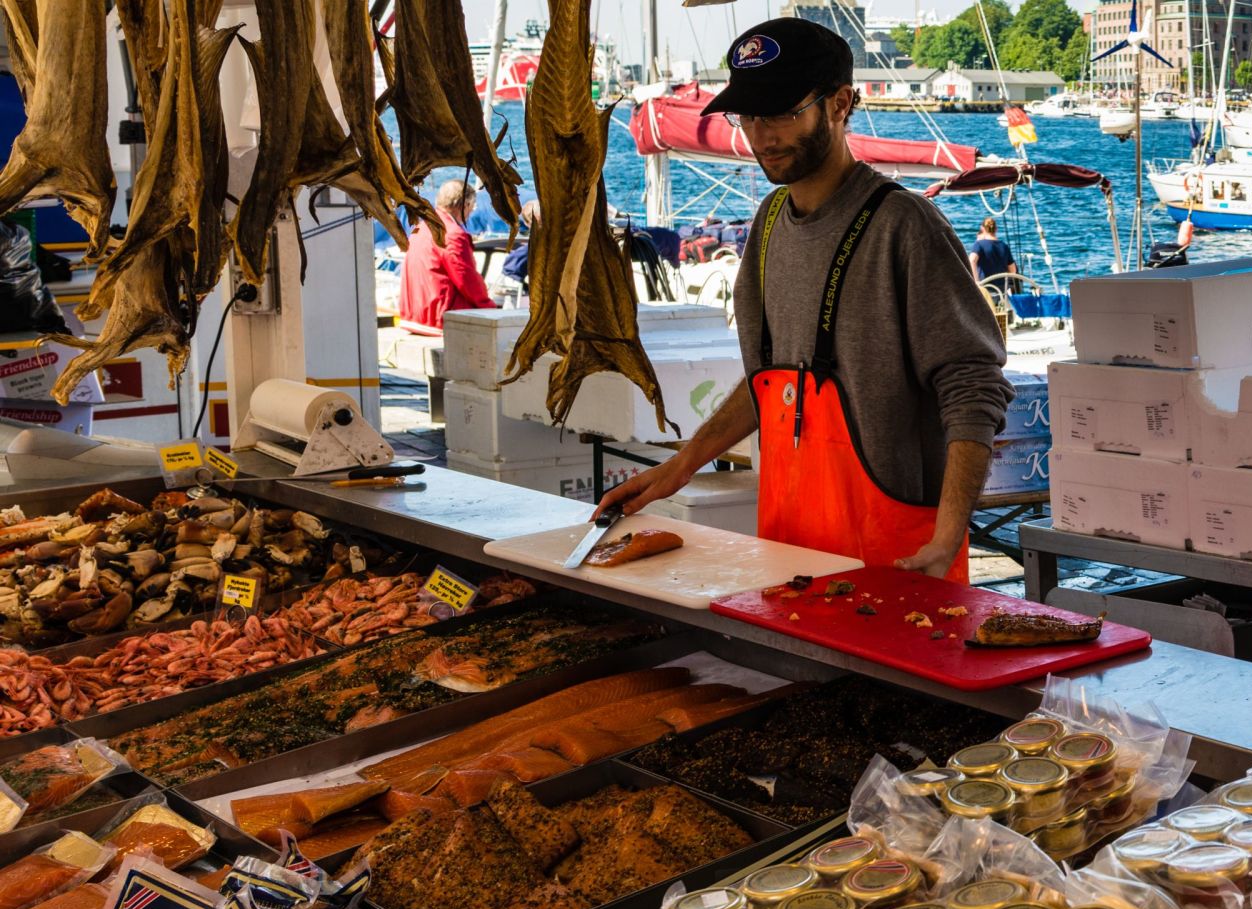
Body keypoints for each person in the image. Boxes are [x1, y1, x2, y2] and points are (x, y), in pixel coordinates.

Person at [595, 18, 1010, 580]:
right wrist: (681, 467)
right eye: (750, 115)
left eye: (783, 113)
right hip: (787, 553)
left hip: (901, 561)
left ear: (841, 104)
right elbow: (772, 382)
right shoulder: (766, 226)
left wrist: (948, 537)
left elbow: (973, 386)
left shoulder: (903, 227)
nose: (762, 135)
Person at [396, 180, 494, 335]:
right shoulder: (453, 234)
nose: (472, 211)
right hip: (440, 317)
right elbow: (467, 280)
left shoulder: (420, 229)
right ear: (465, 205)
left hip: (414, 315)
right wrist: (490, 307)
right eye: (472, 205)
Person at [966, 216, 1016, 283]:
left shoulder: (979, 244)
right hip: (1002, 289)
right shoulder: (1004, 246)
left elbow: (972, 260)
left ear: (982, 228)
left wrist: (976, 281)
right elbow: (1013, 270)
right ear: (996, 229)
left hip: (985, 288)